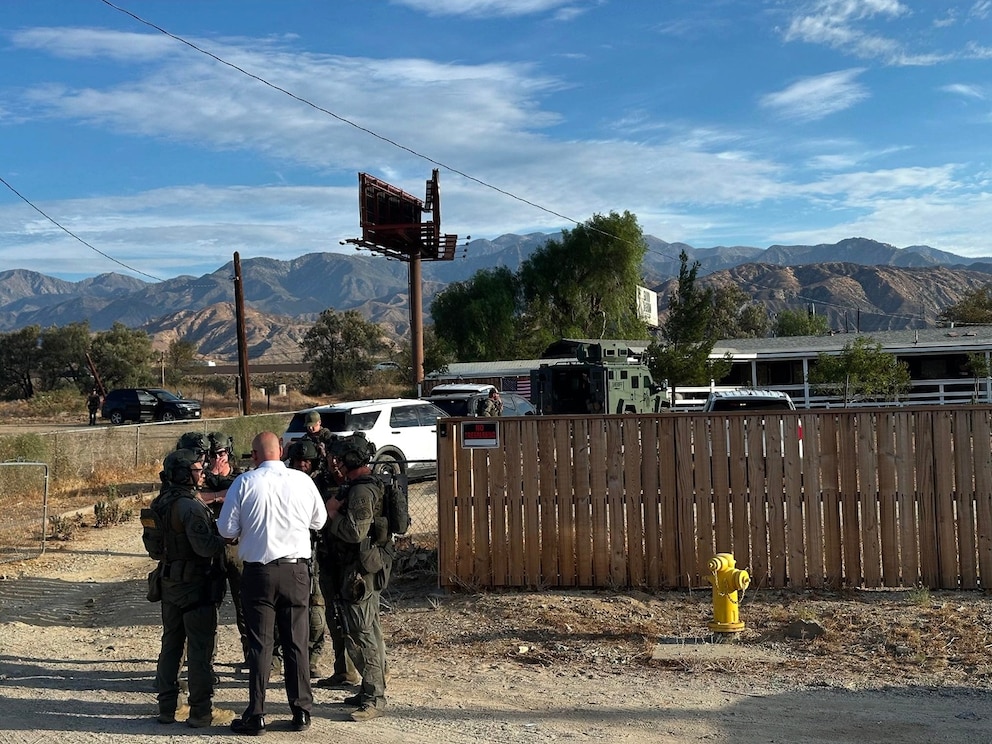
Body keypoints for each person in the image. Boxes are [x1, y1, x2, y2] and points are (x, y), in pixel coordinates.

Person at [217, 431, 327, 735]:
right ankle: (301, 711)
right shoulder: (303, 481)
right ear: (281, 450)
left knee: (260, 644)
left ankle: (257, 714)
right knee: (296, 643)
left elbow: (227, 530)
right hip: (296, 571)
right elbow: (319, 521)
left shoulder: (245, 482)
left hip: (259, 573)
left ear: (254, 456)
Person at [146, 448, 233, 729]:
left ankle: (167, 707)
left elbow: (153, 549)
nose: (202, 473)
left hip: (169, 584)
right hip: (196, 587)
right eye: (197, 469)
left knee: (171, 645)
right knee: (199, 650)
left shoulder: (159, 503)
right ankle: (200, 711)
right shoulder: (190, 507)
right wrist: (226, 538)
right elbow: (204, 546)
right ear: (184, 474)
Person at [322, 433, 394, 721]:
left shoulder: (362, 491)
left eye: (340, 457)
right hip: (358, 568)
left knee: (362, 634)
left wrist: (331, 515)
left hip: (359, 572)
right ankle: (369, 688)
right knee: (370, 630)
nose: (335, 463)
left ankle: (375, 696)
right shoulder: (355, 486)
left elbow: (354, 532)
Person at [202, 432, 249, 666]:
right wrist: (217, 489)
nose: (216, 459)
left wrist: (220, 490)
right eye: (211, 455)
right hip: (213, 550)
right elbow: (196, 498)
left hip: (237, 549)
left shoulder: (241, 478)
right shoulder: (201, 478)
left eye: (220, 454)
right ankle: (206, 660)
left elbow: (243, 497)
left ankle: (252, 656)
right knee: (210, 607)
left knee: (245, 605)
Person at [285, 439, 330, 678]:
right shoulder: (283, 484)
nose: (303, 465)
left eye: (307, 461)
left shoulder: (323, 484)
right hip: (292, 556)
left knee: (316, 609)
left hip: (318, 553)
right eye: (298, 461)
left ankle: (311, 659)